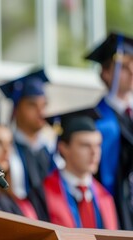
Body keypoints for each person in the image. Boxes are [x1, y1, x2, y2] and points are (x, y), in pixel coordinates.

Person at [85, 32, 133, 230]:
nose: (131, 70)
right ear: (106, 74)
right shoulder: (97, 121)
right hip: (117, 214)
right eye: (124, 65)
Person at [42, 109, 118, 229]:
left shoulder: (105, 198)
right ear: (63, 148)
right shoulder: (42, 195)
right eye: (85, 145)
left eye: (98, 145)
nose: (94, 152)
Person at [0, 69, 56, 199]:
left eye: (44, 105)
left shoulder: (50, 149)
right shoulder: (8, 151)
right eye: (32, 105)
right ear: (16, 109)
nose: (41, 112)